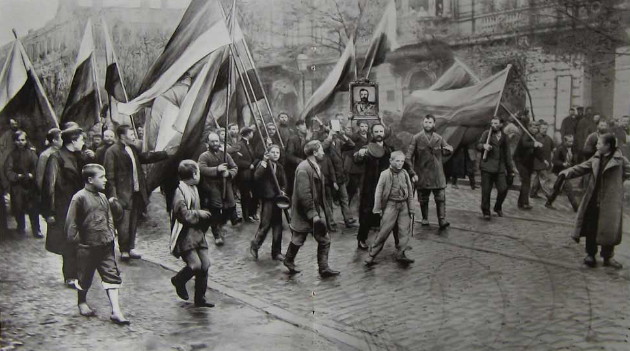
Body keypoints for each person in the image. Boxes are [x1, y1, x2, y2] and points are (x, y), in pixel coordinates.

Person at [65, 164, 129, 323]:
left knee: (112, 275)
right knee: (85, 277)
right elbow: (70, 224)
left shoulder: (103, 197)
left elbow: (109, 218)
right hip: (87, 247)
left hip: (105, 246)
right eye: (102, 177)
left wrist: (110, 234)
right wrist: (78, 242)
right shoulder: (79, 197)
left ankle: (116, 311)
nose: (105, 180)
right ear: (90, 179)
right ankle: (82, 301)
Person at [559, 133, 630, 269]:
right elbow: (583, 167)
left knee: (609, 229)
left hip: (610, 202)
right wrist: (567, 172)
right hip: (593, 198)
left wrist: (620, 186)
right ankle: (590, 254)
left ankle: (608, 257)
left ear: (608, 146)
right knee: (591, 227)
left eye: (599, 143)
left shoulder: (620, 159)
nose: (596, 145)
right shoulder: (597, 157)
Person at [103, 124, 170, 260]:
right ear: (123, 136)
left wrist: (164, 154)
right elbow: (109, 176)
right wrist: (113, 196)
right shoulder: (112, 151)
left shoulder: (132, 148)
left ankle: (131, 247)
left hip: (136, 191)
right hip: (123, 193)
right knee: (124, 223)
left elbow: (144, 158)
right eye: (131, 134)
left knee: (133, 221)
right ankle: (124, 250)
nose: (134, 136)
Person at [283, 140, 340, 277]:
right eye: (321, 150)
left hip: (313, 211)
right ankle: (289, 260)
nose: (323, 152)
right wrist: (313, 215)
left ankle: (323, 268)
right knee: (298, 239)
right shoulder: (304, 168)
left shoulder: (314, 165)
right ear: (314, 152)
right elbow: (304, 195)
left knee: (324, 239)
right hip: (306, 213)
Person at [42, 127, 86, 287]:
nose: (83, 143)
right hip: (63, 207)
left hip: (79, 206)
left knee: (79, 241)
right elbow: (49, 185)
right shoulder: (56, 158)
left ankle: (78, 274)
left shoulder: (79, 156)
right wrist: (49, 211)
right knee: (69, 242)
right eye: (81, 139)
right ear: (73, 140)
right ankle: (70, 276)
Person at [169, 160, 215, 307]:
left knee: (205, 264)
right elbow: (182, 215)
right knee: (195, 265)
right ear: (194, 174)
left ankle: (200, 298)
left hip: (196, 233)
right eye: (199, 172)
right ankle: (179, 280)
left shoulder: (193, 188)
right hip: (184, 235)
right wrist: (199, 213)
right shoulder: (180, 192)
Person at [364, 151, 415, 266]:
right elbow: (378, 192)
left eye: (402, 161)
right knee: (384, 231)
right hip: (390, 205)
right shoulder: (385, 174)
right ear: (391, 161)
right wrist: (377, 209)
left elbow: (410, 192)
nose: (400, 163)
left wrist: (411, 208)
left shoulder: (405, 173)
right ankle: (372, 255)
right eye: (397, 161)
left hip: (403, 206)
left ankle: (401, 253)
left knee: (404, 231)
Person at [406, 115, 453, 229]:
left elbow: (447, 149)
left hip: (437, 174)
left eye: (430, 122)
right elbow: (408, 157)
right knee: (423, 198)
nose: (428, 124)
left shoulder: (439, 138)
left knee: (440, 198)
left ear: (434, 124)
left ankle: (442, 220)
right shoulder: (416, 138)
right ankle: (425, 218)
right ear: (422, 123)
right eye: (426, 122)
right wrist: (412, 172)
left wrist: (448, 150)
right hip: (422, 173)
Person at [354, 124, 394, 250]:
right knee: (366, 212)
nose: (379, 133)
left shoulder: (389, 149)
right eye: (376, 131)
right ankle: (361, 239)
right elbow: (357, 158)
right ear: (372, 133)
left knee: (388, 214)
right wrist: (360, 154)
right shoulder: (367, 148)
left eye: (381, 131)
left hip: (386, 186)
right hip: (370, 187)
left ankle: (386, 241)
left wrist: (411, 174)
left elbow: (400, 162)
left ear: (384, 133)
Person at [198, 132, 239, 246]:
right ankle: (217, 234)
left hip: (226, 185)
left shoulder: (225, 154)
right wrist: (217, 169)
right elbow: (202, 169)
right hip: (212, 186)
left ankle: (221, 225)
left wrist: (229, 173)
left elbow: (235, 167)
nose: (215, 143)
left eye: (217, 141)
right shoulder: (204, 156)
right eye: (212, 141)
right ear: (208, 143)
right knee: (215, 210)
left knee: (230, 207)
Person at [250, 145, 287, 261]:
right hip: (267, 199)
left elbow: (284, 182)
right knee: (265, 225)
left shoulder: (280, 167)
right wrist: (264, 161)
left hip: (277, 199)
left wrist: (283, 191)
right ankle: (255, 245)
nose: (276, 154)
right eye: (273, 152)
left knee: (278, 225)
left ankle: (276, 252)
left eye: (278, 152)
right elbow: (256, 176)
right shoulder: (264, 165)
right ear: (268, 154)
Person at [477, 117, 516, 219]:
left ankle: (497, 207)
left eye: (496, 123)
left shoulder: (504, 137)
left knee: (503, 189)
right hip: (487, 167)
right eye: (492, 123)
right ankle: (486, 212)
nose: (493, 125)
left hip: (500, 168)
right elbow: (478, 145)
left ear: (501, 125)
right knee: (486, 191)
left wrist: (510, 170)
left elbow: (507, 154)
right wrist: (484, 146)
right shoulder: (487, 133)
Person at [5, 131, 42, 238]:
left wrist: (32, 175)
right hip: (18, 186)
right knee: (18, 207)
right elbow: (8, 170)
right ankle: (20, 227)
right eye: (18, 140)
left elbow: (37, 167)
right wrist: (17, 176)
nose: (20, 142)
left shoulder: (31, 154)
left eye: (23, 140)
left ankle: (36, 229)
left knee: (33, 208)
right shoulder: (11, 155)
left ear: (26, 141)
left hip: (30, 185)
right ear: (14, 141)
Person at [321, 127, 357, 228]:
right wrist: (329, 136)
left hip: (339, 175)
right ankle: (330, 223)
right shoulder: (322, 140)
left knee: (344, 199)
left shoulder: (338, 141)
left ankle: (348, 220)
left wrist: (343, 135)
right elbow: (322, 147)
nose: (334, 133)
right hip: (328, 176)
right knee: (328, 201)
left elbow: (352, 145)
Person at [231, 126, 260, 222]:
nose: (253, 134)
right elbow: (235, 160)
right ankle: (246, 216)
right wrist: (248, 165)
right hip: (243, 175)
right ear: (248, 134)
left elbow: (253, 157)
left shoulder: (248, 144)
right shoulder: (238, 145)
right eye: (251, 133)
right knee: (245, 195)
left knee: (255, 193)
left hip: (252, 174)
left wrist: (253, 163)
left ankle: (252, 213)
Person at [513, 121, 544, 210]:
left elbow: (536, 151)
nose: (536, 129)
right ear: (529, 127)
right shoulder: (526, 135)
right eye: (534, 127)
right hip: (520, 161)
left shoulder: (533, 136)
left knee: (525, 182)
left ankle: (520, 203)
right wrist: (534, 144)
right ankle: (525, 203)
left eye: (537, 128)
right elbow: (524, 143)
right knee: (526, 181)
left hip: (528, 162)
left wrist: (543, 160)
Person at [545, 135, 579, 211]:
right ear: (565, 141)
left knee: (557, 188)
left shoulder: (572, 149)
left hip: (567, 171)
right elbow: (554, 160)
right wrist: (563, 164)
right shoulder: (560, 149)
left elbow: (574, 160)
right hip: (560, 172)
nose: (571, 143)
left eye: (572, 141)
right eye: (569, 141)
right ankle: (576, 208)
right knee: (568, 188)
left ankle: (548, 202)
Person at [345, 120, 370, 204]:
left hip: (366, 166)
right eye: (362, 126)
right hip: (355, 167)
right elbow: (348, 143)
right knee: (352, 188)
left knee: (365, 188)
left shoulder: (370, 136)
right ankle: (346, 206)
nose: (364, 128)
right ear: (359, 127)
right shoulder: (355, 136)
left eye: (366, 126)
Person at [285, 119, 311, 196]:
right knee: (293, 192)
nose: (305, 127)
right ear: (297, 127)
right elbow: (289, 155)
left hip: (304, 169)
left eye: (305, 125)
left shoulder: (308, 138)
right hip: (293, 170)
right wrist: (301, 161)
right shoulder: (293, 139)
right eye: (302, 125)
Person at [530, 120, 554, 199]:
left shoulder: (549, 138)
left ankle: (533, 193)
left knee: (537, 178)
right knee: (545, 179)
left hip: (546, 161)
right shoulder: (535, 138)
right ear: (539, 129)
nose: (545, 130)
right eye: (543, 128)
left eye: (546, 128)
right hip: (538, 162)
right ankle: (549, 196)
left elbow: (553, 149)